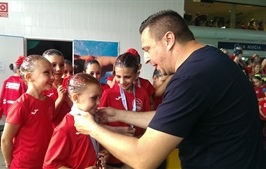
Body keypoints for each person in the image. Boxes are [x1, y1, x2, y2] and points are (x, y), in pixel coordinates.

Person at [73, 10, 266, 169]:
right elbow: (167, 120)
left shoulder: (192, 77)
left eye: (147, 49)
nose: (146, 58)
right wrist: (118, 115)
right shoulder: (210, 62)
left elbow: (143, 159)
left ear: (168, 39)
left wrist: (92, 128)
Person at [43, 73, 108, 169]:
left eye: (100, 97)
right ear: (76, 98)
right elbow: (50, 166)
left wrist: (104, 153)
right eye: (94, 98)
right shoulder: (66, 128)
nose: (98, 102)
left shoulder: (94, 118)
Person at [1, 55, 55, 169]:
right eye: (47, 72)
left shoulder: (49, 102)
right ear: (29, 77)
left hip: (44, 160)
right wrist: (9, 163)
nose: (52, 77)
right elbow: (6, 140)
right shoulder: (21, 105)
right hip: (24, 164)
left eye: (52, 73)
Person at [99, 52, 150, 168]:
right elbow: (97, 126)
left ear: (136, 75)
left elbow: (146, 126)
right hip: (112, 154)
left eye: (127, 77)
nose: (122, 81)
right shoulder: (108, 94)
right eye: (118, 76)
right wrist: (118, 130)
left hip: (135, 153)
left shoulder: (143, 94)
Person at [43, 49, 73, 128]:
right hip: (54, 135)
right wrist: (60, 99)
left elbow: (79, 109)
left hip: (71, 131)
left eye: (61, 65)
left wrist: (69, 98)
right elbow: (48, 117)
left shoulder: (71, 84)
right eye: (53, 65)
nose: (58, 69)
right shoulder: (42, 89)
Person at [0, 55, 27, 122]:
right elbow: (26, 99)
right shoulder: (23, 82)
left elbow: (2, 98)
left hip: (8, 113)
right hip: (19, 114)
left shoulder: (7, 81)